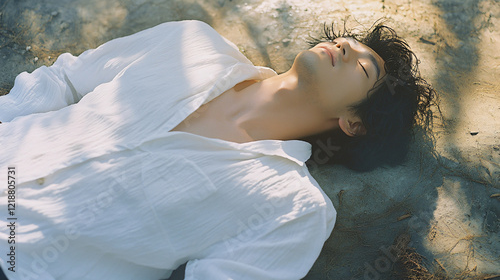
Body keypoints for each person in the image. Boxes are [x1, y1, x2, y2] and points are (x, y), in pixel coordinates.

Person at [0, 20, 435, 280]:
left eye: (363, 65)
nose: (346, 45)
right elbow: (65, 80)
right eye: (350, 40)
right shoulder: (193, 44)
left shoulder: (293, 207)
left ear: (354, 124)